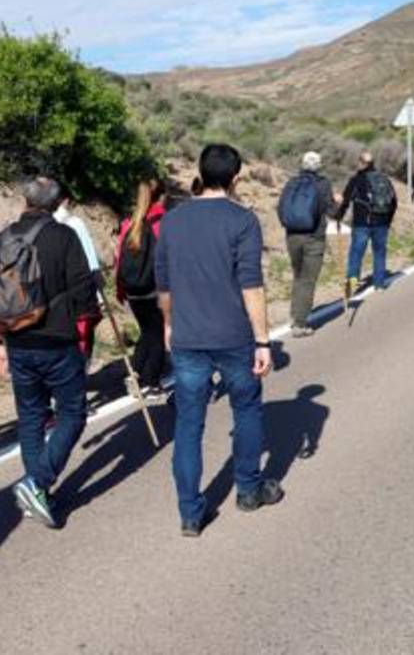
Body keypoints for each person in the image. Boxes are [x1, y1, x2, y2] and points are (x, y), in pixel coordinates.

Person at [156, 145, 284, 538]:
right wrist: (263, 340)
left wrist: (168, 323)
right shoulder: (242, 221)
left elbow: (163, 283)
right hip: (233, 336)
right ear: (236, 177)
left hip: (188, 336)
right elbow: (251, 284)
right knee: (246, 409)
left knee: (189, 423)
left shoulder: (173, 221)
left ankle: (190, 513)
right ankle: (248, 489)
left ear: (200, 173)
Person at [0, 177, 97, 529]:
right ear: (56, 203)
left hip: (17, 340)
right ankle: (37, 482)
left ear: (25, 200)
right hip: (57, 341)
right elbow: (83, 295)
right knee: (73, 414)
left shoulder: (4, 237)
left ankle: (40, 490)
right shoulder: (64, 237)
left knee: (32, 417)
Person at [114, 178, 168, 399]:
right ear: (162, 196)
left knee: (147, 330)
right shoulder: (162, 221)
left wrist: (120, 289)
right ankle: (152, 383)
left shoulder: (128, 222)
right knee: (157, 334)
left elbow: (118, 259)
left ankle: (135, 371)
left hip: (133, 289)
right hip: (154, 288)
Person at [280, 151, 338, 337]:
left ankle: (295, 314)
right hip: (314, 237)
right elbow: (332, 212)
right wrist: (337, 203)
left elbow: (280, 208)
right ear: (319, 166)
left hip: (292, 236)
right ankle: (300, 323)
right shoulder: (323, 184)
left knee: (298, 276)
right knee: (308, 280)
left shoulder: (291, 183)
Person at [336, 150, 398, 294]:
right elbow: (394, 202)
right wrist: (387, 221)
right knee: (379, 253)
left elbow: (345, 201)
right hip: (381, 223)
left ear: (362, 163)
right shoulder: (384, 179)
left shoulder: (356, 180)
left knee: (356, 253)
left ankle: (352, 285)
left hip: (361, 224)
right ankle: (379, 284)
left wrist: (338, 216)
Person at [53, 195, 104, 359]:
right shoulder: (75, 223)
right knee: (82, 337)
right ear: (66, 200)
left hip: (53, 295)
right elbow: (90, 259)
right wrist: (99, 293)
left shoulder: (44, 225)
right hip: (79, 293)